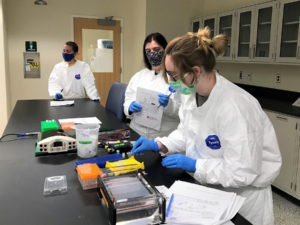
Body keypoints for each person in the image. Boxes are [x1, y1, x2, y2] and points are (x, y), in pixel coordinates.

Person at [131, 27, 282, 225]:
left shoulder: (235, 107)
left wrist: (195, 165)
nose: (170, 82)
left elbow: (241, 172)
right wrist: (160, 144)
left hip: (242, 202)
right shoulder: (191, 94)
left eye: (174, 75)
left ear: (195, 71)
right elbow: (187, 133)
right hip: (210, 192)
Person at [123, 33, 180, 140]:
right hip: (137, 131)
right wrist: (130, 106)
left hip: (163, 136)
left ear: (165, 50)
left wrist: (169, 106)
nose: (152, 54)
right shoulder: (138, 76)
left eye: (156, 49)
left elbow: (184, 112)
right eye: (148, 51)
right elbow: (128, 99)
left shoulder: (176, 77)